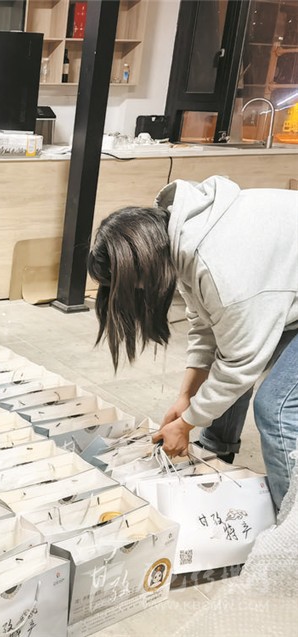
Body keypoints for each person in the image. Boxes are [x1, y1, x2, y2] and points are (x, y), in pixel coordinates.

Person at [87, 176, 298, 510]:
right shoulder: (180, 239)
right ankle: (214, 456)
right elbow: (205, 325)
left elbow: (239, 365)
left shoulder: (221, 271)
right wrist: (186, 397)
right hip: (282, 281)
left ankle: (290, 523)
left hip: (272, 285)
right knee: (224, 367)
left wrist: (187, 423)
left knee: (276, 407)